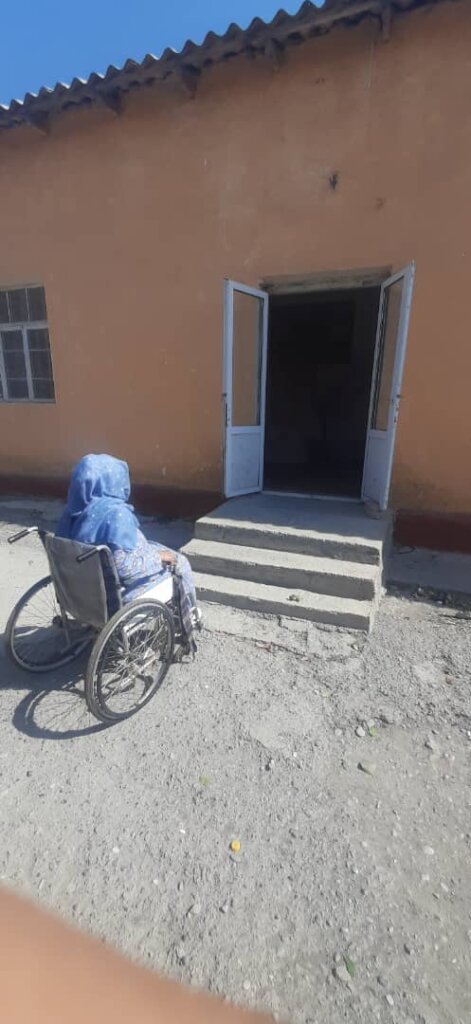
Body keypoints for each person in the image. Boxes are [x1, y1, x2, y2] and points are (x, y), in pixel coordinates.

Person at [56, 454, 200, 641]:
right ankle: (187, 621)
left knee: (158, 549)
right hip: (110, 597)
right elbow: (125, 567)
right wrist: (158, 557)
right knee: (179, 564)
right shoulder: (115, 514)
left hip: (78, 592)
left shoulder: (71, 513)